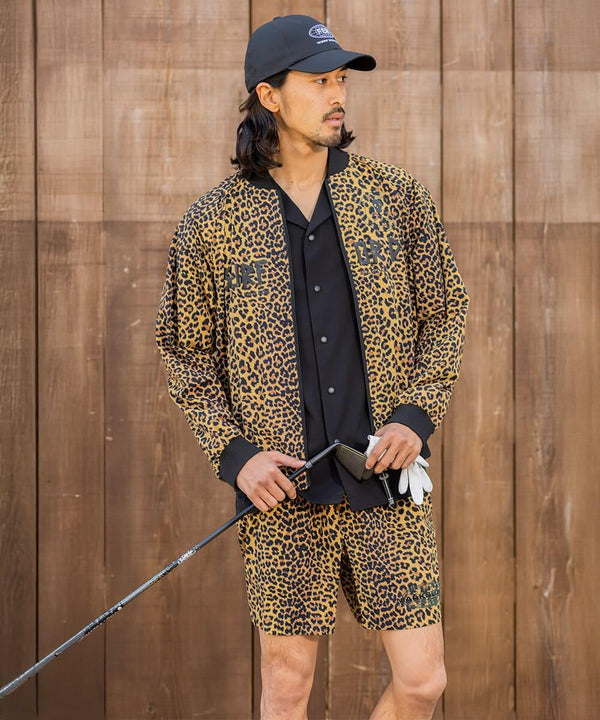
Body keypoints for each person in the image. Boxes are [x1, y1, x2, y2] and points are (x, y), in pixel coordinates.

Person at [155, 14, 470, 720]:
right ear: (269, 96)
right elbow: (184, 353)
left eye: (341, 81)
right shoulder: (213, 223)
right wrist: (235, 456)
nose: (338, 96)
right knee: (288, 689)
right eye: (319, 81)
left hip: (386, 475)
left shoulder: (394, 197)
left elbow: (446, 312)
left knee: (423, 681)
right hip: (283, 493)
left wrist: (415, 417)